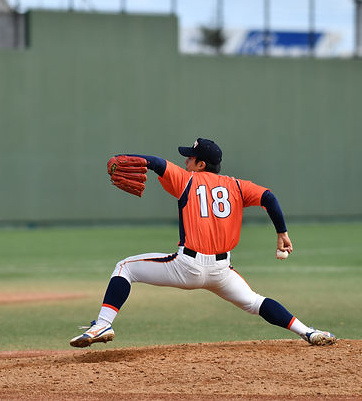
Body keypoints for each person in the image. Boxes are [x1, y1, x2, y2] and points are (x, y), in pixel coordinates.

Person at [70, 138, 336, 348]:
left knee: (125, 268)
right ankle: (308, 332)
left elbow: (155, 163)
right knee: (255, 302)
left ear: (201, 165)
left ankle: (103, 324)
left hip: (186, 266)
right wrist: (282, 232)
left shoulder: (186, 179)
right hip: (222, 272)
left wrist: (128, 158)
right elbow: (269, 197)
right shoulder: (237, 186)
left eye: (190, 157)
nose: (186, 161)